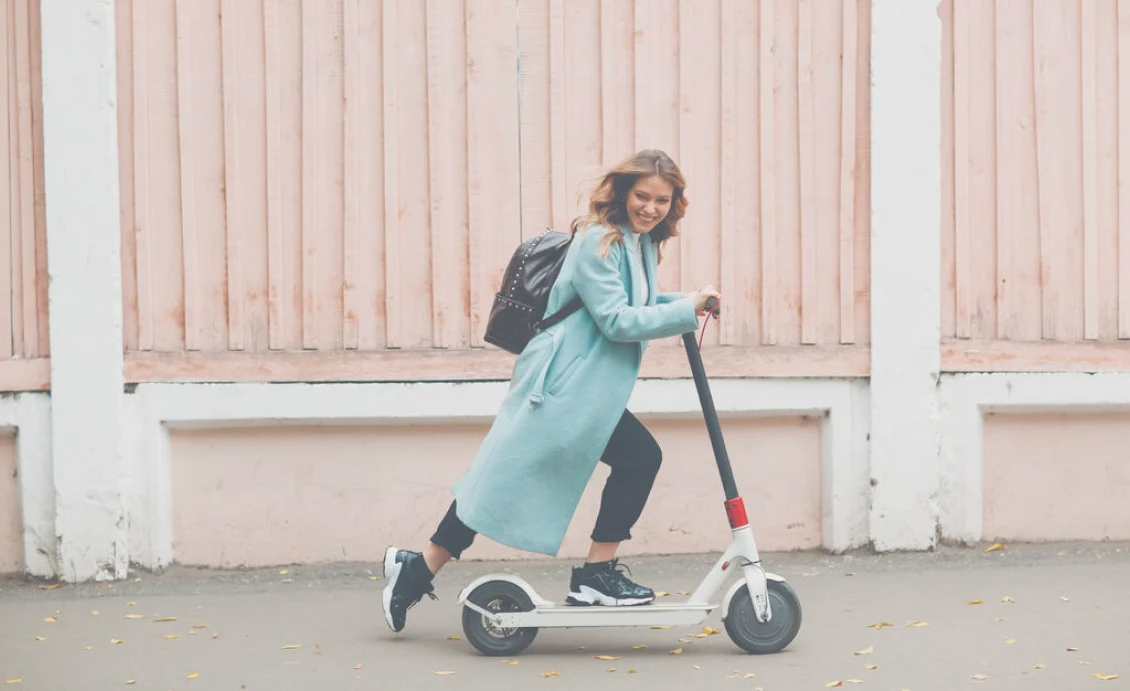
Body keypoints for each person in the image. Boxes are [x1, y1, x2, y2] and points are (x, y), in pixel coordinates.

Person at [381, 149, 722, 633]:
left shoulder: (640, 242)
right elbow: (617, 319)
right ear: (623, 193)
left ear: (674, 203)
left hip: (588, 387)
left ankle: (425, 568)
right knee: (506, 476)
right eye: (642, 196)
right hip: (562, 384)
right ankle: (586, 576)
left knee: (518, 474)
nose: (650, 207)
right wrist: (684, 311)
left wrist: (688, 301)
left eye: (661, 200)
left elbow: (637, 302)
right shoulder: (598, 240)